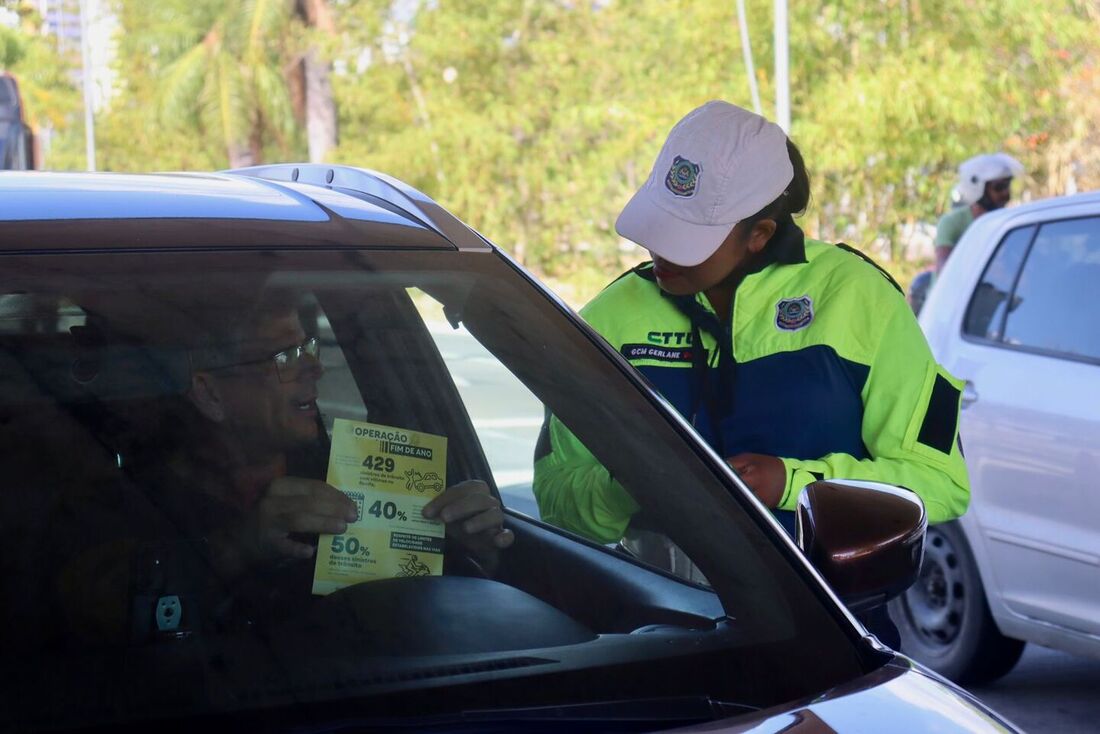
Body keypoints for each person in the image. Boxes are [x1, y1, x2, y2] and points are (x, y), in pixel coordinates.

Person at [532, 101, 970, 647]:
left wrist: (794, 484)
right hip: (651, 639)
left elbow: (942, 483)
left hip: (831, 637)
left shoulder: (859, 300)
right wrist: (631, 483)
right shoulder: (610, 318)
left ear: (760, 233)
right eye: (658, 223)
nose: (658, 248)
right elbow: (555, 501)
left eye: (687, 236)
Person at [50, 290, 513, 645]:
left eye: (309, 346)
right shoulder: (127, 498)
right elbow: (94, 616)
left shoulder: (365, 476)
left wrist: (472, 551)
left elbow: (435, 621)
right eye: (285, 357)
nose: (315, 367)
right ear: (210, 393)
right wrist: (240, 545)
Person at [934, 152, 1024, 274]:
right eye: (999, 187)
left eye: (1007, 185)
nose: (1006, 193)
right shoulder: (952, 223)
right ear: (978, 188)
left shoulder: (1006, 222)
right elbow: (943, 268)